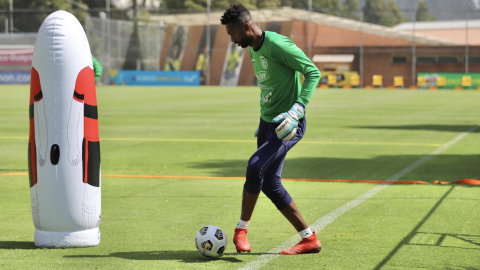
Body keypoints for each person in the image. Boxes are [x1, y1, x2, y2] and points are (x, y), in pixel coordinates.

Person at [220, 3, 322, 255]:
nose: (232, 40)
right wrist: (262, 123)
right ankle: (309, 239)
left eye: (233, 34)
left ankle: (241, 230)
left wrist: (298, 109)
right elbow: (270, 89)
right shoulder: (253, 47)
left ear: (246, 26)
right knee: (270, 184)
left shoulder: (277, 44)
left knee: (255, 166)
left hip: (288, 124)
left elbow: (312, 72)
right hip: (267, 124)